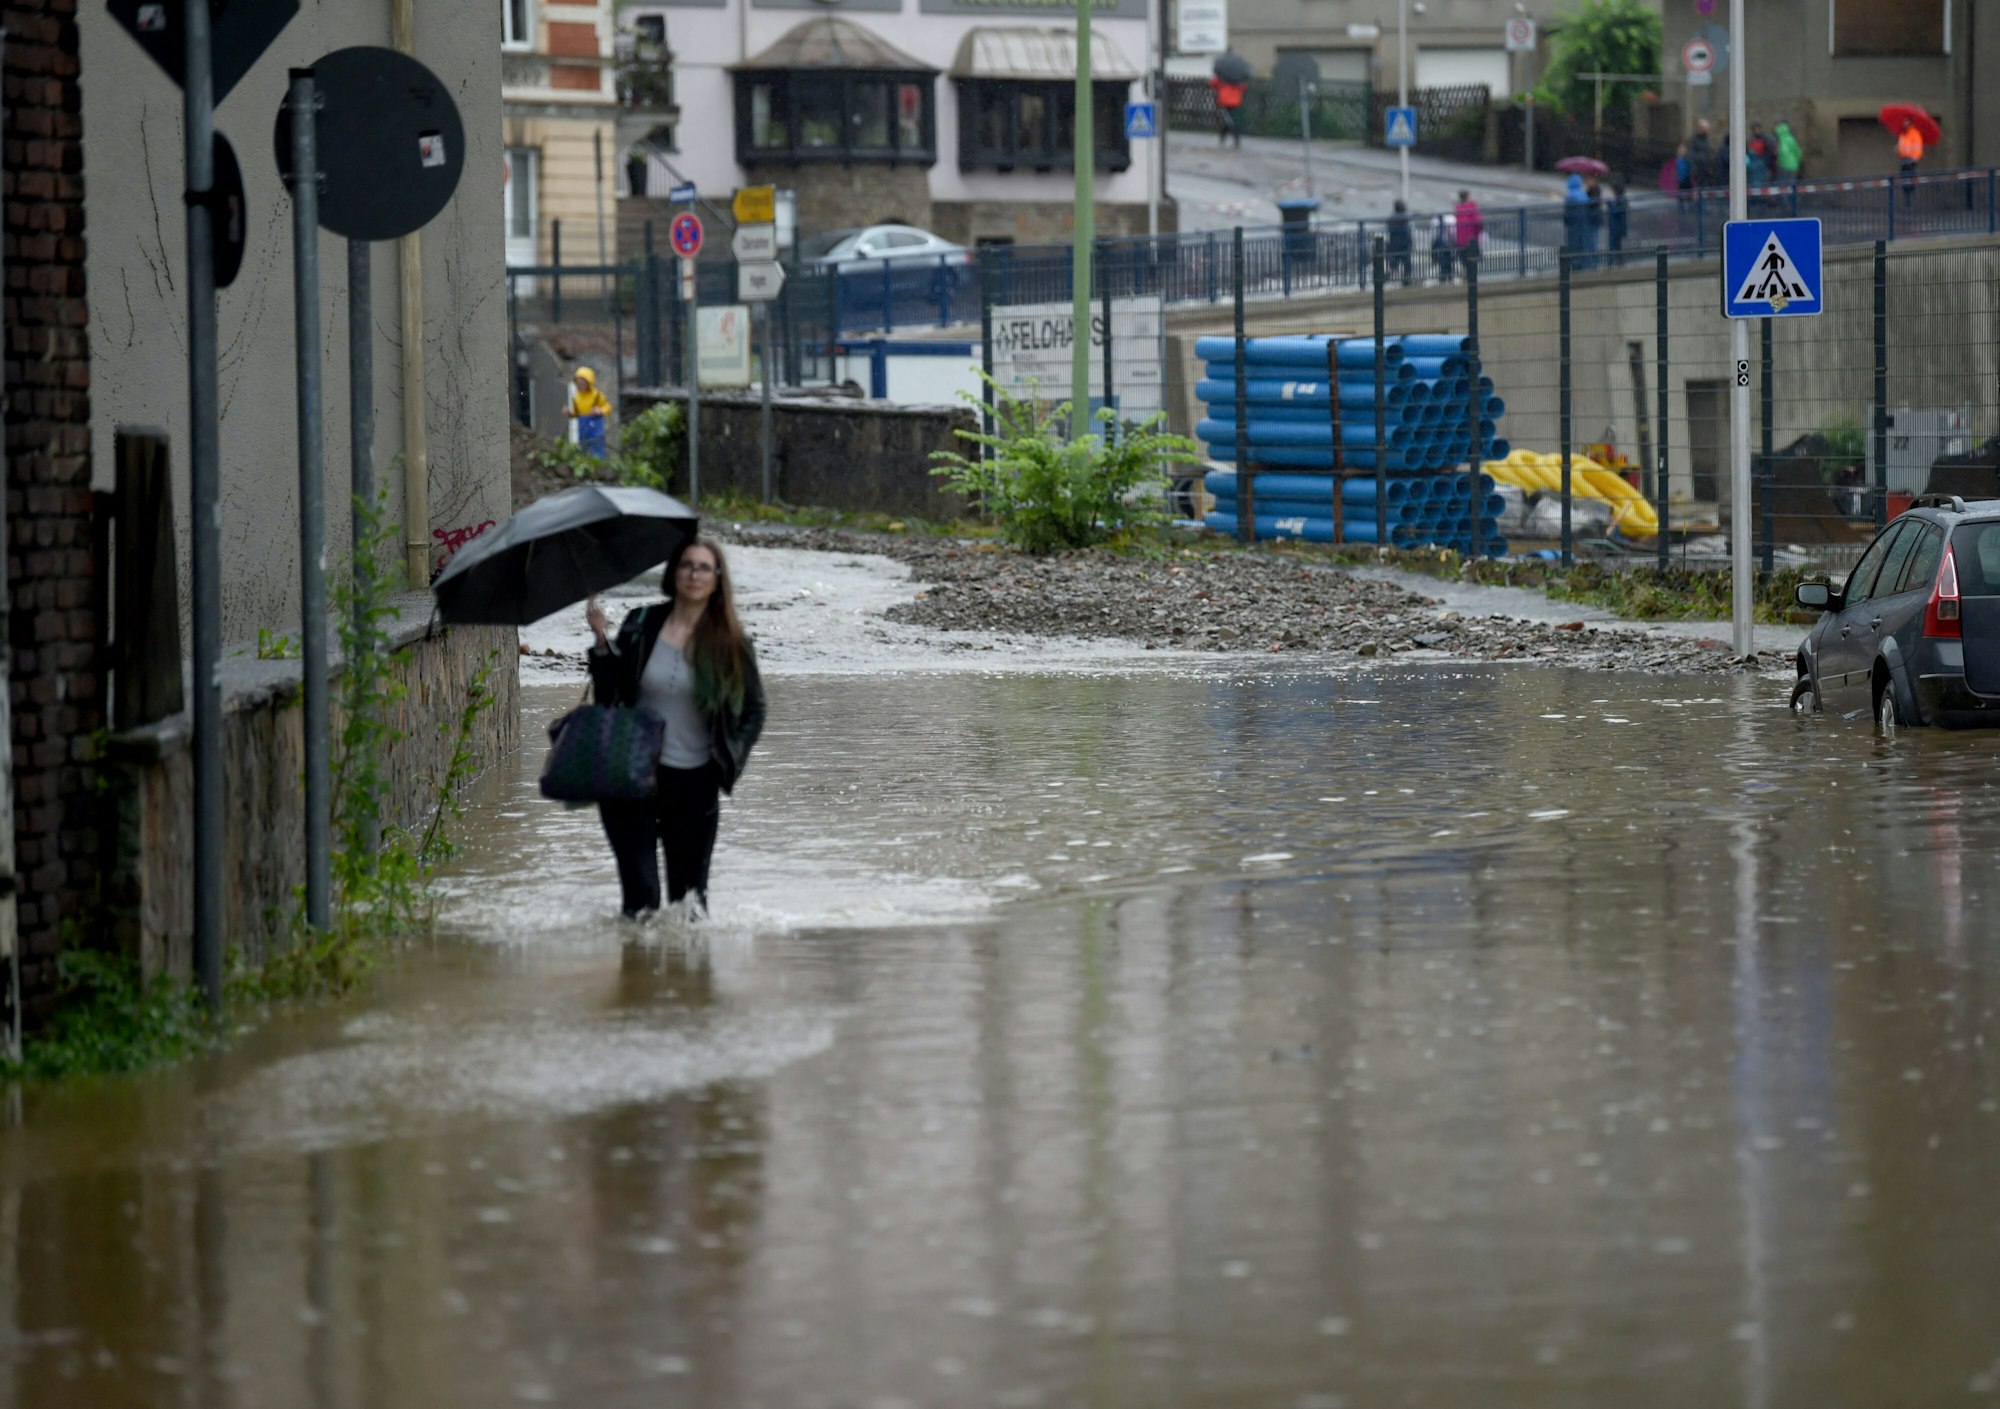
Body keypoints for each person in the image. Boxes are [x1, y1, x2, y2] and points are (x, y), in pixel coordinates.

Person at [586, 537, 768, 919]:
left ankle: (689, 979)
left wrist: (730, 760)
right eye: (687, 565)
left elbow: (755, 707)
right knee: (640, 904)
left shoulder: (730, 641)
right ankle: (640, 976)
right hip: (631, 777)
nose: (694, 574)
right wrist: (601, 641)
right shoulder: (641, 622)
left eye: (704, 567)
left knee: (690, 905)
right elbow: (609, 695)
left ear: (718, 579)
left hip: (695, 782)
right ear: (673, 574)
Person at [566, 366, 612, 459]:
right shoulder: (576, 397)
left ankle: (598, 465)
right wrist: (569, 413)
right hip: (582, 427)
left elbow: (608, 407)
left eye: (583, 383)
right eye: (578, 383)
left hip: (595, 426)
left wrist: (600, 411)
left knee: (597, 447)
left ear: (589, 383)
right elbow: (576, 414)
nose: (580, 385)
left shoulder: (597, 395)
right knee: (583, 447)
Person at [1209, 75, 1245, 148]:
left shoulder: (1222, 76)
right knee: (1230, 121)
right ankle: (1235, 140)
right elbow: (1243, 87)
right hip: (1232, 102)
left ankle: (1225, 138)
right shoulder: (1237, 77)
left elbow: (1212, 84)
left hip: (1226, 102)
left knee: (1229, 121)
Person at [1898, 116, 1925, 206]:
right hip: (1904, 161)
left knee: (1910, 183)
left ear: (1909, 122)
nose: (1904, 123)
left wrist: (1913, 159)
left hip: (1911, 161)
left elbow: (1917, 149)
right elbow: (1902, 148)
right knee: (1905, 182)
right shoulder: (1903, 134)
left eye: (1906, 121)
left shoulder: (1914, 134)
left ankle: (1911, 204)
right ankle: (1907, 203)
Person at [1385, 199, 1412, 285]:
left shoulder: (1391, 219)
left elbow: (1389, 231)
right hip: (1404, 244)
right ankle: (1406, 280)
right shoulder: (1404, 218)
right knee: (1406, 264)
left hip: (1393, 244)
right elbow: (1407, 231)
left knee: (1393, 265)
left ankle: (1384, 280)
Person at [1453, 189, 1483, 268]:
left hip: (1460, 239)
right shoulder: (1472, 205)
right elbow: (1478, 221)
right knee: (1473, 260)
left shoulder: (1458, 207)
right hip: (1471, 237)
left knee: (1464, 259)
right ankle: (1471, 277)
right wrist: (1481, 229)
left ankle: (1466, 274)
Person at [1607, 182, 1629, 266]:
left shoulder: (1621, 199)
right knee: (1617, 246)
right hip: (1618, 227)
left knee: (1615, 245)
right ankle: (1617, 262)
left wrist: (1610, 205)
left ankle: (1613, 262)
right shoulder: (1620, 199)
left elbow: (1618, 212)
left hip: (1617, 227)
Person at [1774, 118, 1802, 182]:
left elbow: (1777, 153)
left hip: (1782, 165)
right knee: (1791, 186)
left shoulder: (1777, 138)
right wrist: (1797, 162)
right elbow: (1798, 152)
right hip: (1792, 166)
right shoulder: (1791, 139)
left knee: (1782, 187)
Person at [1688, 119, 1714, 187]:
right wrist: (1694, 169)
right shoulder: (1694, 140)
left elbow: (1707, 154)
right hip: (1698, 170)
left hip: (1705, 171)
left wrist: (1709, 166)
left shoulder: (1705, 140)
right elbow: (1691, 155)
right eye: (1704, 128)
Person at [1431, 214, 1455, 283]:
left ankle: (1444, 277)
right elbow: (1453, 234)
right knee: (1448, 260)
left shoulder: (1434, 221)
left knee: (1443, 260)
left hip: (1441, 244)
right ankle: (1448, 276)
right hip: (1448, 243)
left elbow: (1433, 237)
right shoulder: (1451, 219)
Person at [1746, 121, 1772, 186]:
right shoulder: (1751, 140)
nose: (1756, 131)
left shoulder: (1765, 139)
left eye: (1757, 129)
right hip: (1752, 167)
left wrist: (1768, 165)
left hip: (1762, 165)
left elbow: (1768, 153)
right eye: (1755, 129)